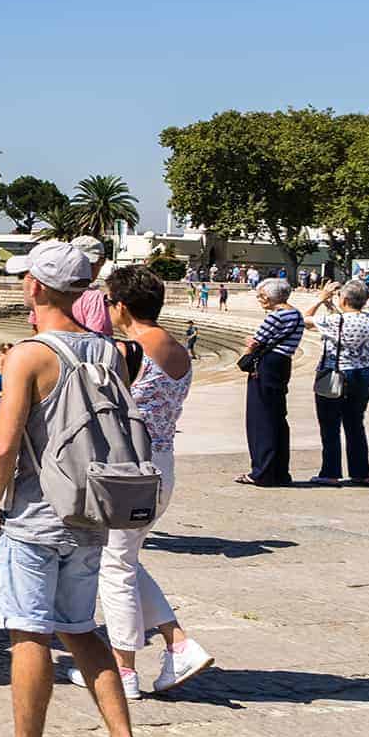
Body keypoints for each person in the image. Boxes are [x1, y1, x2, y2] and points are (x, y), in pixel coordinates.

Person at [0, 241, 154, 737]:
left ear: (37, 288)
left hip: (38, 514)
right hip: (93, 511)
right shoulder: (108, 352)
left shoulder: (30, 355)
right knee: (82, 631)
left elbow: (3, 444)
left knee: (28, 633)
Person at [81, 264, 214, 696]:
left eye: (107, 300)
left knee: (115, 566)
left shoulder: (127, 351)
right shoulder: (177, 349)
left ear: (120, 305)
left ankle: (123, 672)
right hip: (162, 464)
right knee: (126, 560)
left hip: (129, 467)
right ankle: (177, 644)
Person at [304, 279, 369, 486]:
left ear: (344, 299)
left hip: (337, 374)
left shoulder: (336, 322)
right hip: (364, 373)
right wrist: (332, 304)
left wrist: (321, 299)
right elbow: (345, 318)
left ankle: (330, 472)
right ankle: (361, 472)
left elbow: (304, 319)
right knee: (355, 423)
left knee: (330, 424)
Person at [236, 278, 301, 487]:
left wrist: (248, 346)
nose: (259, 299)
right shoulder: (296, 314)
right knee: (277, 418)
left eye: (261, 296)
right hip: (282, 364)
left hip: (267, 366)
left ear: (270, 297)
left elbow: (257, 342)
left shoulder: (276, 317)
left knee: (260, 419)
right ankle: (280, 472)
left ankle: (261, 471)